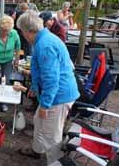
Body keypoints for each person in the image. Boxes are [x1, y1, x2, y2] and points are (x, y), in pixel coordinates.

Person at [16, 10, 80, 165]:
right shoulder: (44, 39)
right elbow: (44, 73)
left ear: (28, 31)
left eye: (22, 32)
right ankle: (37, 150)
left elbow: (51, 79)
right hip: (54, 93)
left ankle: (54, 162)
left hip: (58, 96)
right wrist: (35, 88)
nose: (23, 35)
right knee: (39, 121)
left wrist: (45, 104)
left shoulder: (45, 45)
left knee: (52, 135)